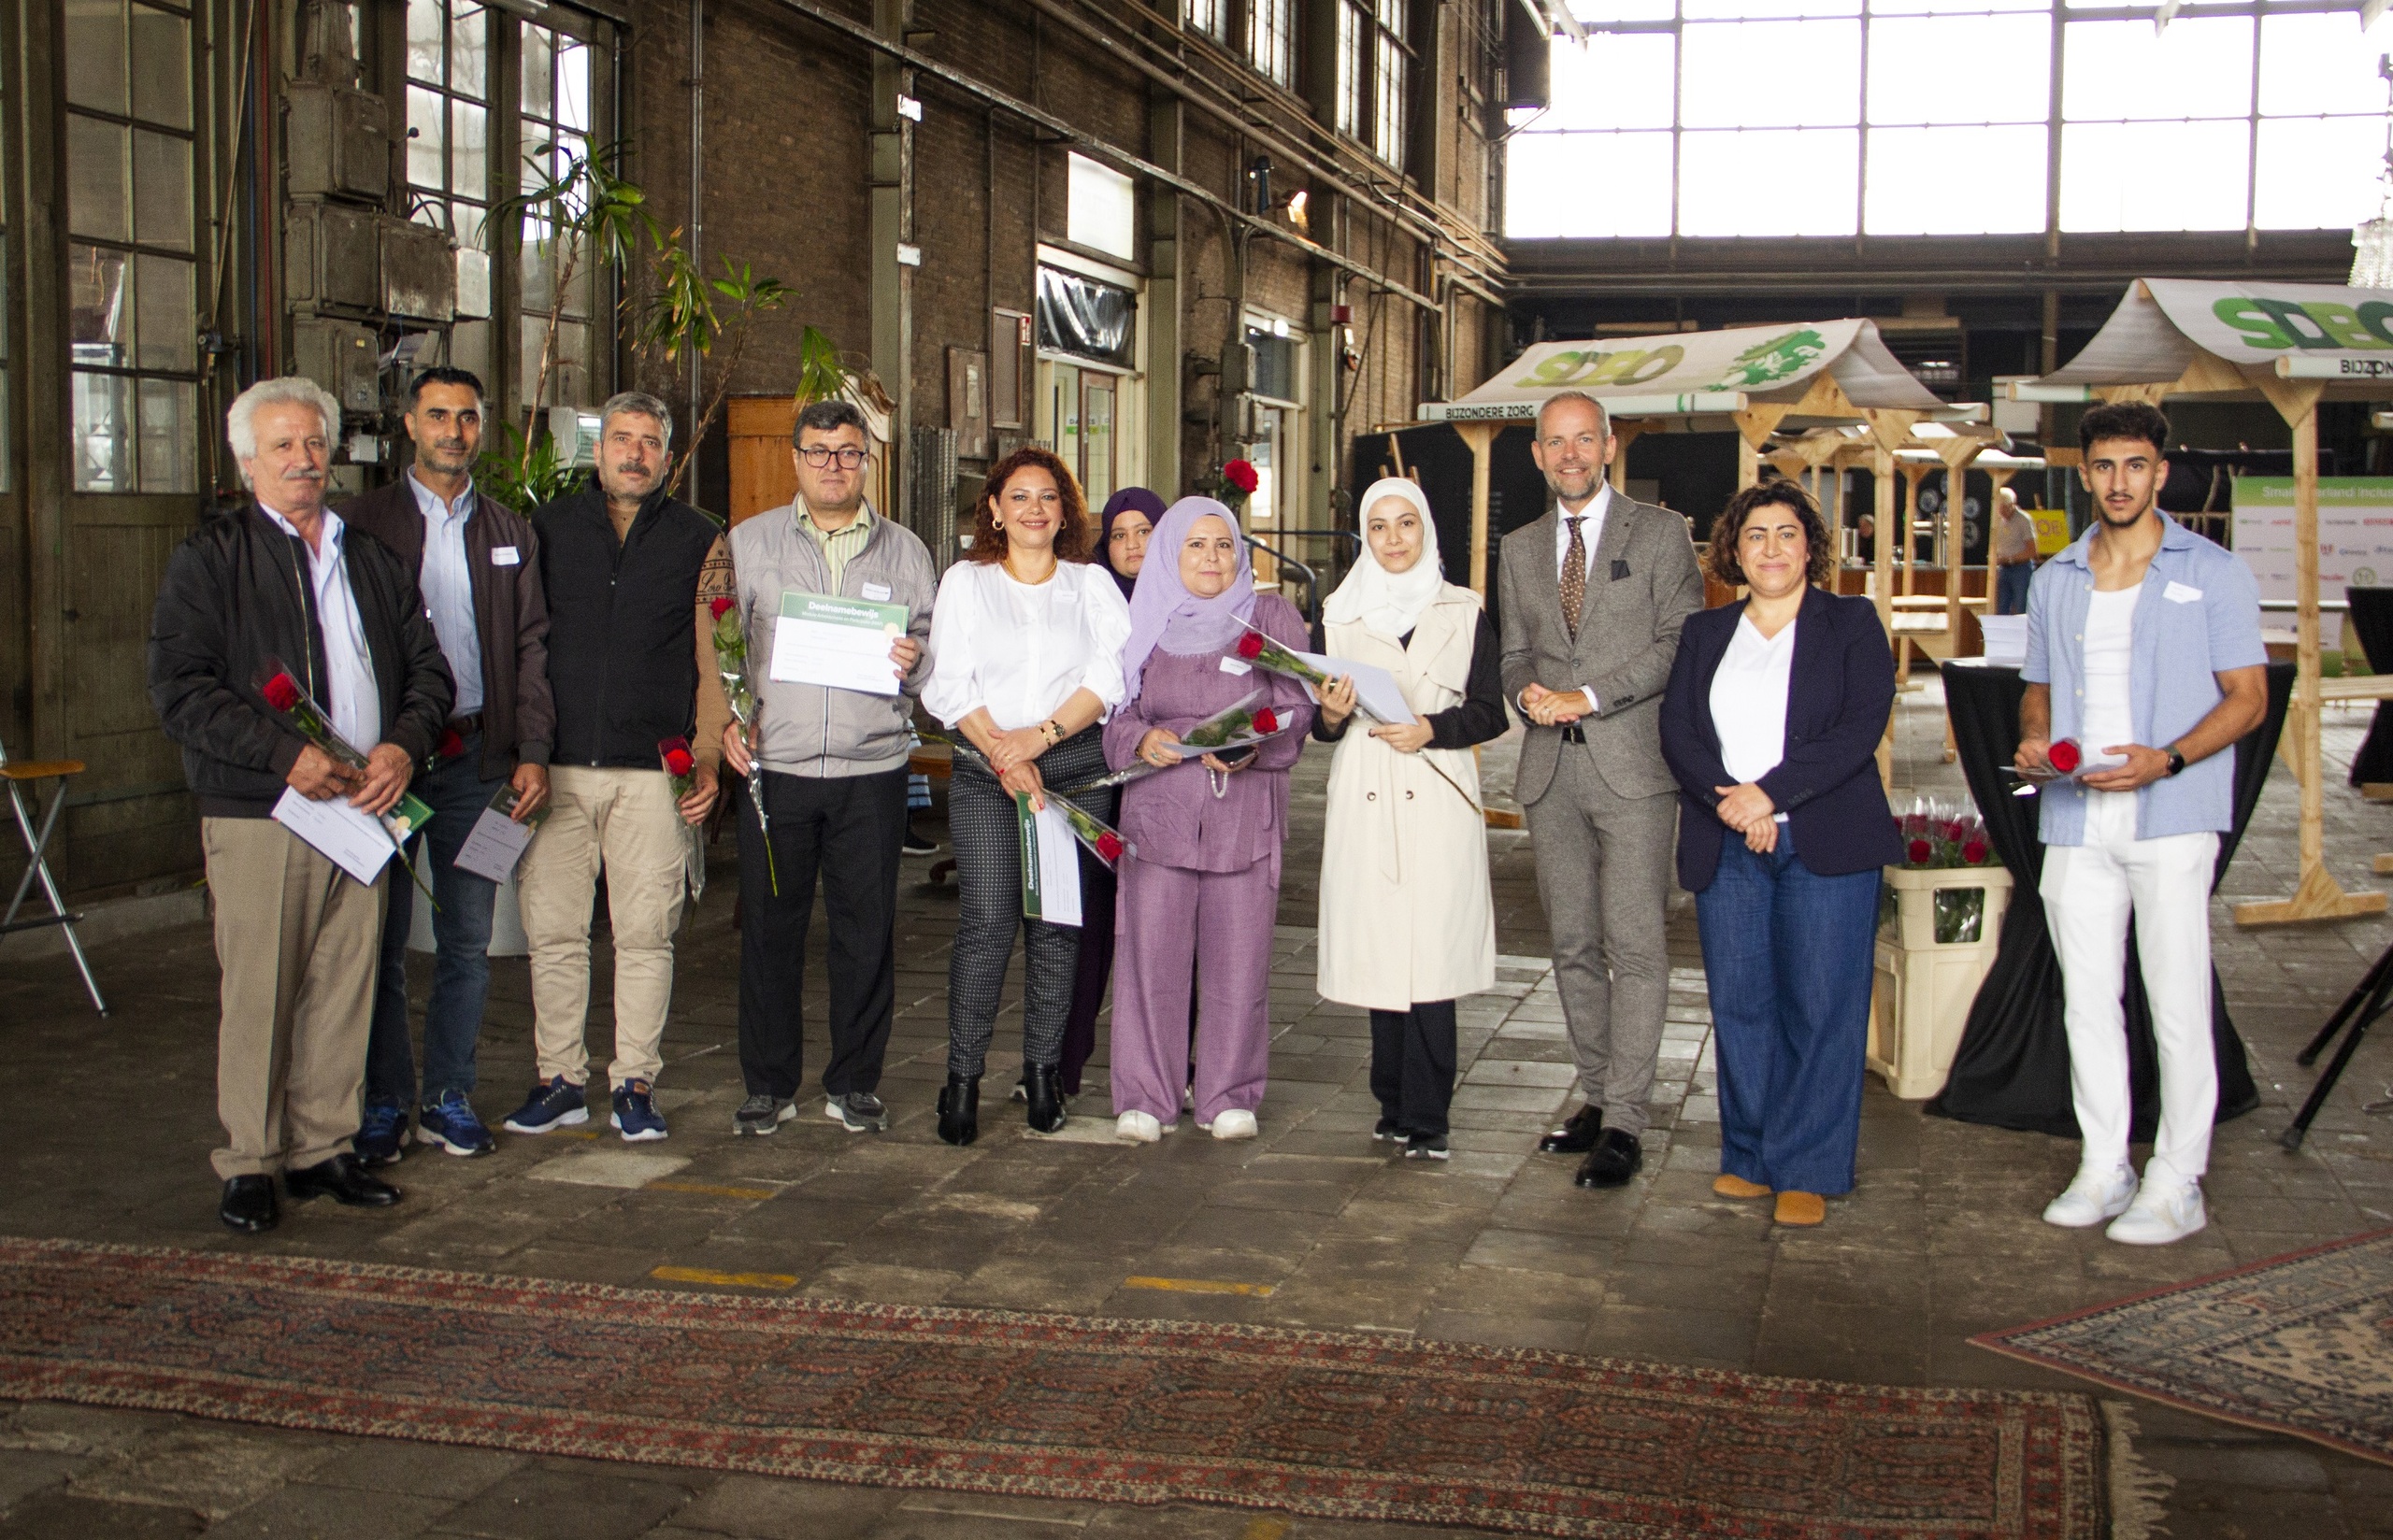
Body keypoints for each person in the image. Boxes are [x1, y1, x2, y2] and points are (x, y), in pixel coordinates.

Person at [149, 377, 453, 1233]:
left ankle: (323, 1148)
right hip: (265, 814)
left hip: (365, 810)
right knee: (262, 990)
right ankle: (250, 1159)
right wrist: (287, 759)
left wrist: (401, 746)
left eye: (314, 443)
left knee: (344, 985)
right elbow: (181, 690)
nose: (303, 460)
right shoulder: (211, 561)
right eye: (282, 445)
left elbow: (430, 671)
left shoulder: (367, 556)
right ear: (247, 461)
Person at [2015, 401, 2267, 1247]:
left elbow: (2249, 699)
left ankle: (2177, 1178)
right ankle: (2104, 1163)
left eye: (2135, 466)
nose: (2119, 482)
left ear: (2160, 473)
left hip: (2171, 813)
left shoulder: (2216, 572)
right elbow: (2039, 688)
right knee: (2086, 1001)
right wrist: (2031, 738)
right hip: (2077, 817)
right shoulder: (2057, 578)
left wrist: (2170, 758)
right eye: (2104, 467)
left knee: (2176, 999)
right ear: (2084, 473)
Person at [1660, 482, 1899, 1227]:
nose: (1771, 548)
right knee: (1741, 1004)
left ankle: (1812, 1166)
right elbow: (1678, 733)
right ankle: (1752, 1156)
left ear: (1811, 546)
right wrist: (1731, 801)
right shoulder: (1705, 633)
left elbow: (1860, 727)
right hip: (1728, 838)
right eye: (1755, 535)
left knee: (1822, 1005)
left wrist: (1770, 796)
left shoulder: (1852, 623)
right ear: (1733, 549)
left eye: (1786, 533)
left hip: (1824, 838)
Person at [338, 366, 552, 1164]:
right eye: (437, 416)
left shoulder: (509, 530)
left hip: (482, 765)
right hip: (384, 768)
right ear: (408, 424)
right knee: (383, 941)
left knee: (468, 937)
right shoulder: (361, 524)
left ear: (480, 427)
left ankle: (447, 1095)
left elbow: (533, 646)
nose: (452, 432)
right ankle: (386, 1101)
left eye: (466, 417)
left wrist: (531, 752)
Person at [507, 392, 728, 1143]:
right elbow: (524, 645)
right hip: (558, 769)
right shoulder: (548, 528)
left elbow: (715, 656)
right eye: (621, 440)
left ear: (668, 457)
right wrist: (524, 752)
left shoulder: (701, 538)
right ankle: (559, 1079)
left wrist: (704, 757)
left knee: (643, 934)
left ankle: (634, 1081)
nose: (634, 454)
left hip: (651, 771)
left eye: (649, 443)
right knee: (556, 933)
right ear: (598, 452)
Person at [1498, 390, 1703, 1190]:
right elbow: (1513, 653)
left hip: (1634, 772)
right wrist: (1527, 696)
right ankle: (1593, 1093)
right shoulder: (1518, 548)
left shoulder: (1659, 533)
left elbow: (1679, 641)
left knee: (1636, 946)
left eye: (1586, 440)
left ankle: (1626, 1119)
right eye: (1557, 442)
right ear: (1539, 454)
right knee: (1572, 944)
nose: (1572, 455)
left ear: (1611, 446)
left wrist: (1589, 697)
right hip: (1551, 772)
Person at [720, 398, 934, 1136]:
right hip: (774, 770)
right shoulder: (749, 543)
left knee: (865, 932)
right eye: (819, 452)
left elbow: (933, 654)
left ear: (866, 460)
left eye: (848, 452)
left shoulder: (906, 551)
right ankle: (768, 1085)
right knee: (770, 933)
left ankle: (855, 1083)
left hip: (871, 771)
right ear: (795, 458)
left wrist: (915, 661)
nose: (834, 465)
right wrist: (725, 720)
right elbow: (720, 648)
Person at [922, 447, 1133, 1144]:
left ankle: (1044, 1071)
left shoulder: (1090, 584)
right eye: (1019, 496)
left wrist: (1036, 742)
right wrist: (1003, 753)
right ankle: (962, 1078)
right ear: (994, 509)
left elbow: (1110, 678)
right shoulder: (966, 581)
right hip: (988, 771)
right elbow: (949, 682)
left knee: (1056, 924)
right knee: (986, 921)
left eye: (1048, 497)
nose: (1034, 509)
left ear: (1064, 510)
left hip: (1071, 768)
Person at [1104, 497, 1315, 1144]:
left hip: (1243, 816)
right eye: (1195, 545)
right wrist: (1141, 741)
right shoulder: (1146, 622)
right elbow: (1115, 712)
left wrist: (1256, 745)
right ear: (1171, 554)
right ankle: (1146, 1095)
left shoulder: (1269, 617)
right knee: (1149, 959)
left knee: (1240, 961)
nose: (1211, 558)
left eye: (1223, 545)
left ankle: (1228, 1093)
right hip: (1160, 815)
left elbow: (1297, 707)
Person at [1314, 478, 1505, 1161]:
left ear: (1427, 531)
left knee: (1431, 956)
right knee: (1380, 953)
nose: (1394, 540)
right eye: (1380, 527)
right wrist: (1332, 714)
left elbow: (1492, 709)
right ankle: (1390, 1099)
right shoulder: (1339, 611)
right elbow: (1322, 721)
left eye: (1407, 525)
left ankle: (1429, 1113)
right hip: (1367, 787)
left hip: (1435, 784)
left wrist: (1433, 727)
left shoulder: (1466, 609)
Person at [1048, 485, 1169, 1098]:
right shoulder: (1084, 601)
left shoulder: (1183, 606)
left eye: (1144, 532)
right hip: (1097, 786)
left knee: (1167, 934)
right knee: (1086, 926)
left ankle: (1175, 1067)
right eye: (1118, 535)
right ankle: (1062, 1065)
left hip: (1163, 790)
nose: (1130, 546)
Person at [1992, 488, 2039, 617]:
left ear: (2012, 505)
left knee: (2020, 608)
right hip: (2003, 569)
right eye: (1999, 508)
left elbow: (2032, 551)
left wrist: (2010, 559)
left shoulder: (2024, 520)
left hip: (2021, 570)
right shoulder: (1997, 520)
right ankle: (2001, 636)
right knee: (2001, 608)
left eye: (2004, 508)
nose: (2001, 512)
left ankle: (2021, 636)